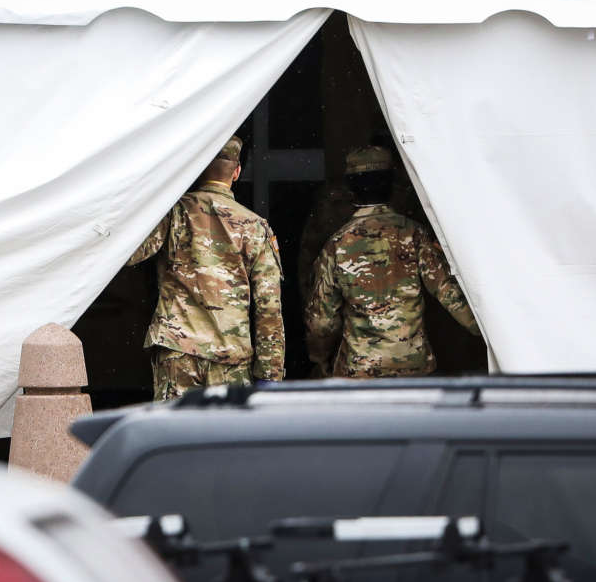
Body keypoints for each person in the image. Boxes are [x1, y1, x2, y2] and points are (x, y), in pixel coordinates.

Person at [128, 135, 285, 400]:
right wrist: (270, 374)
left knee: (175, 438)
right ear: (236, 173)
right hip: (231, 358)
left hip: (178, 351)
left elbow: (131, 253)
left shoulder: (172, 213)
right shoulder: (255, 227)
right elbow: (269, 306)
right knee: (224, 440)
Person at [304, 146, 480, 377]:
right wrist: (493, 333)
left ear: (351, 187)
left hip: (358, 372)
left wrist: (320, 357)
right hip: (413, 369)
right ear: (391, 184)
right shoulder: (414, 234)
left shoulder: (337, 244)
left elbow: (321, 322)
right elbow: (450, 294)